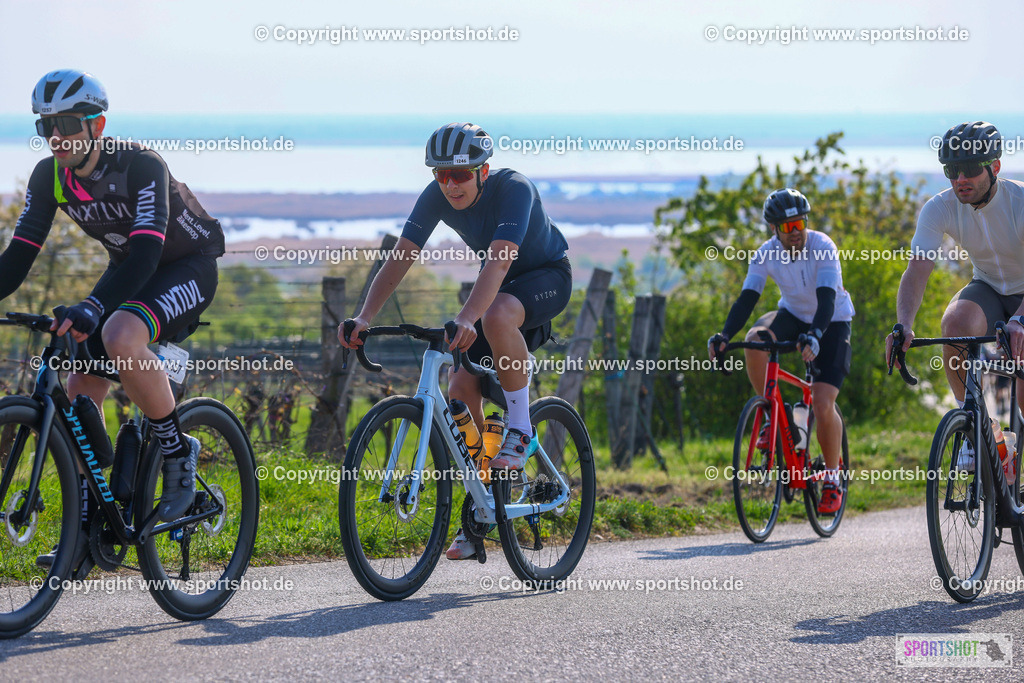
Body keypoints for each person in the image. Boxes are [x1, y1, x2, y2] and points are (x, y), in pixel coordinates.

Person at [5, 70, 225, 572]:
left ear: (97, 125)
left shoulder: (141, 165)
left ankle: (177, 454)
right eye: (45, 126)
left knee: (119, 333)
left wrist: (92, 305)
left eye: (66, 124)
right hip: (129, 271)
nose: (56, 136)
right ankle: (91, 527)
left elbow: (147, 252)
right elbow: (16, 260)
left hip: (185, 267)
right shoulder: (48, 176)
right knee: (80, 383)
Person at [339, 122, 571, 559]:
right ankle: (482, 504)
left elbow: (500, 262)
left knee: (496, 314)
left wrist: (467, 317)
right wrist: (365, 316)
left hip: (544, 278)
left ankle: (520, 429)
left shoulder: (515, 189)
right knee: (461, 386)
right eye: (440, 174)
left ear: (483, 171)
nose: (450, 185)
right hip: (495, 287)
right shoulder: (436, 196)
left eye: (460, 174)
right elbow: (401, 257)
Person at [887, 121, 1023, 471]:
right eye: (951, 170)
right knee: (956, 323)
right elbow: (917, 270)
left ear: (995, 167)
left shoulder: (1020, 202)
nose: (960, 178)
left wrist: (1020, 320)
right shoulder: (940, 207)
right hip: (989, 286)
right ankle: (978, 429)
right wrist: (903, 325)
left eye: (970, 168)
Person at [709, 188, 855, 514]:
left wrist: (815, 335)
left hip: (832, 321)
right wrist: (725, 335)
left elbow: (827, 299)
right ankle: (771, 415)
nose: (796, 232)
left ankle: (833, 478)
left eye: (800, 223)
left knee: (822, 402)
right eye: (788, 227)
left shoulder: (823, 246)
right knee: (755, 340)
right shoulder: (766, 254)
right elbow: (748, 298)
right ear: (774, 229)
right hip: (792, 315)